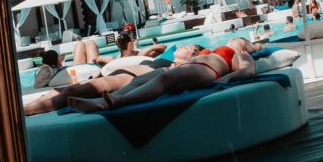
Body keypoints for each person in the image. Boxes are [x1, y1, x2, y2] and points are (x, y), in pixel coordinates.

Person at [68, 37, 256, 112]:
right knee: (140, 79)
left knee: (165, 79)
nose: (232, 39)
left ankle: (118, 101)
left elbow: (248, 70)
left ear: (243, 47)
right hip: (190, 67)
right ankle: (100, 101)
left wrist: (227, 78)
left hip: (207, 70)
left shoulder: (239, 54)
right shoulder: (213, 50)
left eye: (237, 40)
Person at [24, 43, 201, 115]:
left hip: (125, 78)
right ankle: (25, 108)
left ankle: (25, 111)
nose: (182, 46)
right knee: (61, 90)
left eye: (188, 47)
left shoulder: (179, 68)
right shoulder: (165, 60)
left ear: (193, 56)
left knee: (71, 90)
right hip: (113, 74)